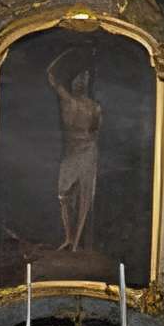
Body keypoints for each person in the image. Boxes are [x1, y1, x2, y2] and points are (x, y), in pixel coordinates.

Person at [47, 49, 103, 252]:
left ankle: (77, 242)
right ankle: (69, 238)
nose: (80, 82)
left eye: (84, 78)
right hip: (72, 152)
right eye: (78, 78)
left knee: (85, 196)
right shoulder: (68, 101)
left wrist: (87, 144)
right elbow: (51, 76)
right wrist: (65, 55)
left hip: (88, 151)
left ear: (87, 82)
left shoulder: (95, 107)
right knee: (64, 194)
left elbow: (95, 130)